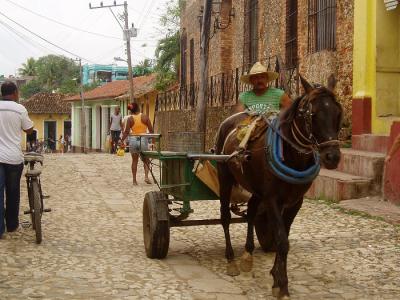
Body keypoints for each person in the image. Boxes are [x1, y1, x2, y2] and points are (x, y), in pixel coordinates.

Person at [0, 81, 34, 239]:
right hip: (13, 159)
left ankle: (0, 229)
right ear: (14, 92)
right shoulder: (20, 109)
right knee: (13, 192)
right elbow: (29, 129)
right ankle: (12, 225)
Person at [121, 103, 154, 185]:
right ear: (138, 108)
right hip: (143, 139)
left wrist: (121, 141)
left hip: (133, 140)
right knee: (146, 160)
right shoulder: (144, 117)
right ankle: (146, 177)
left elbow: (126, 132)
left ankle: (134, 181)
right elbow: (151, 131)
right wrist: (153, 142)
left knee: (134, 161)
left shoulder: (130, 119)